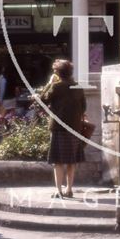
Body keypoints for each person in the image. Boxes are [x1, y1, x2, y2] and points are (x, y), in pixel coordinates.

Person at [41, 59, 86, 199]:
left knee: (58, 161)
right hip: (74, 128)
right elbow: (84, 107)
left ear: (58, 73)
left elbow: (42, 100)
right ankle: (70, 189)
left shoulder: (56, 87)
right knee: (71, 161)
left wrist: (49, 83)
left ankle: (58, 191)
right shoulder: (78, 87)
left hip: (59, 128)